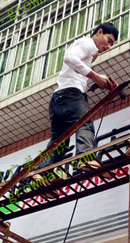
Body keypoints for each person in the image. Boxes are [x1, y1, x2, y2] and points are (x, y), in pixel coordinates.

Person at [32, 22, 119, 189]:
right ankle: (85, 158)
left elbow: (73, 72)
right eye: (108, 40)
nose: (108, 46)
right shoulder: (87, 43)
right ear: (99, 32)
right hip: (70, 94)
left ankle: (40, 172)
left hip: (59, 97)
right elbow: (69, 58)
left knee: (59, 141)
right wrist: (95, 76)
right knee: (84, 123)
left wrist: (93, 83)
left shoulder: (90, 51)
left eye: (111, 44)